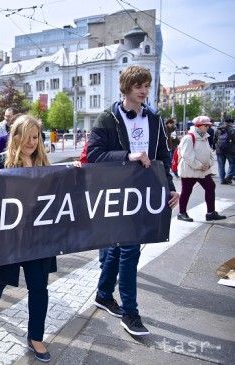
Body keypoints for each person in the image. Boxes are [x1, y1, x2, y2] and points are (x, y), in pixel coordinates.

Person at [86, 65, 179, 336]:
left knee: (126, 250)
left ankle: (105, 295)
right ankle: (130, 312)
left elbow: (162, 155)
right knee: (121, 249)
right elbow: (93, 155)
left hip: (142, 193)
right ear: (126, 87)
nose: (144, 91)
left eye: (147, 86)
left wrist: (170, 187)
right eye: (139, 86)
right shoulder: (107, 118)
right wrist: (128, 156)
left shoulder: (154, 118)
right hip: (115, 193)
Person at [0, 115, 56, 363]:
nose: (32, 142)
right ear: (16, 137)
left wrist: (73, 172)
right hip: (9, 237)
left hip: (38, 239)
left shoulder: (44, 164)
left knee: (39, 288)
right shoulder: (1, 162)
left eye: (36, 137)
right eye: (28, 136)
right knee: (0, 278)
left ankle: (36, 337)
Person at [176, 116, 227, 222]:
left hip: (203, 170)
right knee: (186, 191)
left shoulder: (204, 137)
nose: (208, 127)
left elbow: (209, 153)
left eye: (209, 125)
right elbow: (187, 156)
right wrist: (200, 166)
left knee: (210, 186)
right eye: (206, 125)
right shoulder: (189, 137)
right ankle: (181, 213)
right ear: (198, 126)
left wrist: (209, 164)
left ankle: (210, 213)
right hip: (190, 170)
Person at [215, 117, 235, 184]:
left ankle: (222, 180)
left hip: (219, 149)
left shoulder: (218, 129)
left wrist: (215, 147)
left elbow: (214, 139)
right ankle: (228, 177)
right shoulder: (232, 129)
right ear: (232, 122)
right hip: (230, 150)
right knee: (232, 164)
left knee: (221, 165)